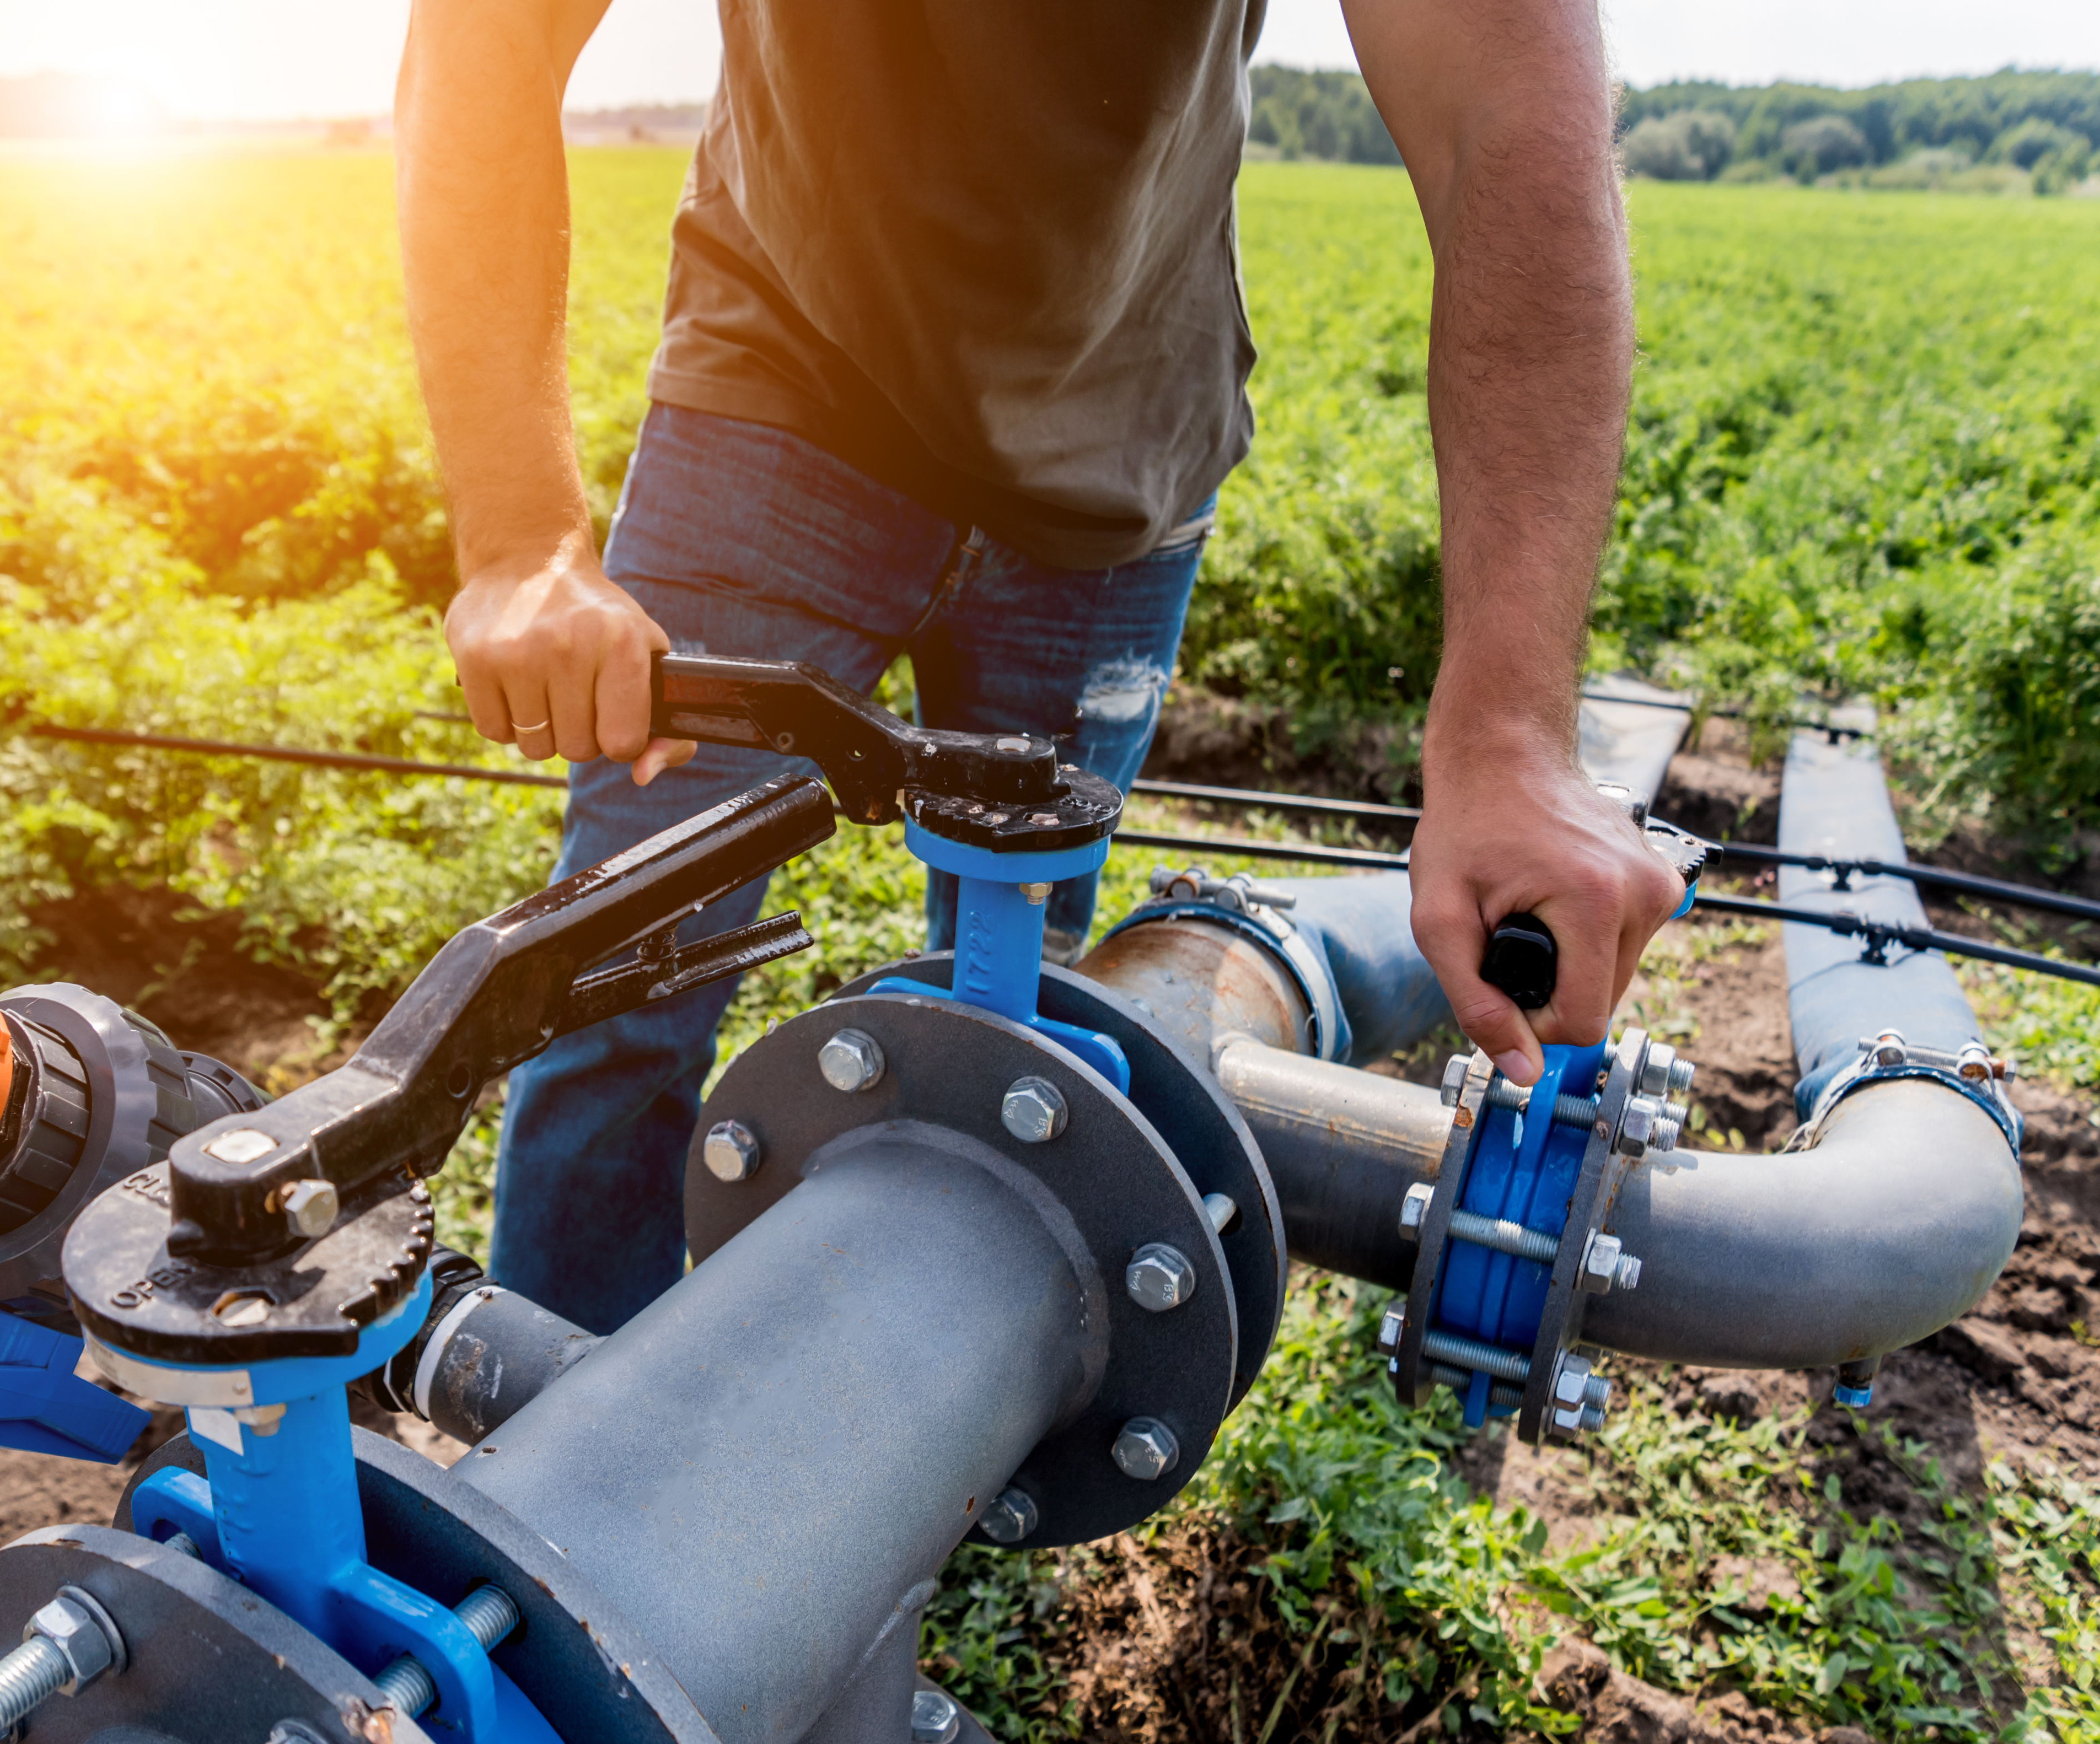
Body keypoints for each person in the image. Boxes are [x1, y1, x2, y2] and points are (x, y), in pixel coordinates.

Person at [396, 0, 1683, 1333]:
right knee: (622, 990)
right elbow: (489, 35)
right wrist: (520, 539)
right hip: (774, 401)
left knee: (1010, 1033)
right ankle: (543, 1485)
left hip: (1120, 453)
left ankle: (919, 1445)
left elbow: (1508, 111)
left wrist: (1512, 737)